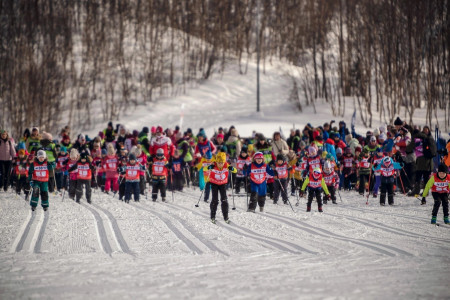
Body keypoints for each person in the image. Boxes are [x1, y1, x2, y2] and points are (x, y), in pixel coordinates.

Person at [207, 152, 237, 224]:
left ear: (224, 162)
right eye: (218, 162)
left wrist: (231, 168)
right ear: (216, 161)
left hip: (223, 184)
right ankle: (212, 216)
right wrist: (209, 167)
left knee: (224, 200)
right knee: (215, 200)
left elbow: (235, 170)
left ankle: (226, 217)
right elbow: (205, 168)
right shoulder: (213, 165)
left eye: (222, 162)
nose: (220, 164)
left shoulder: (226, 165)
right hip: (214, 183)